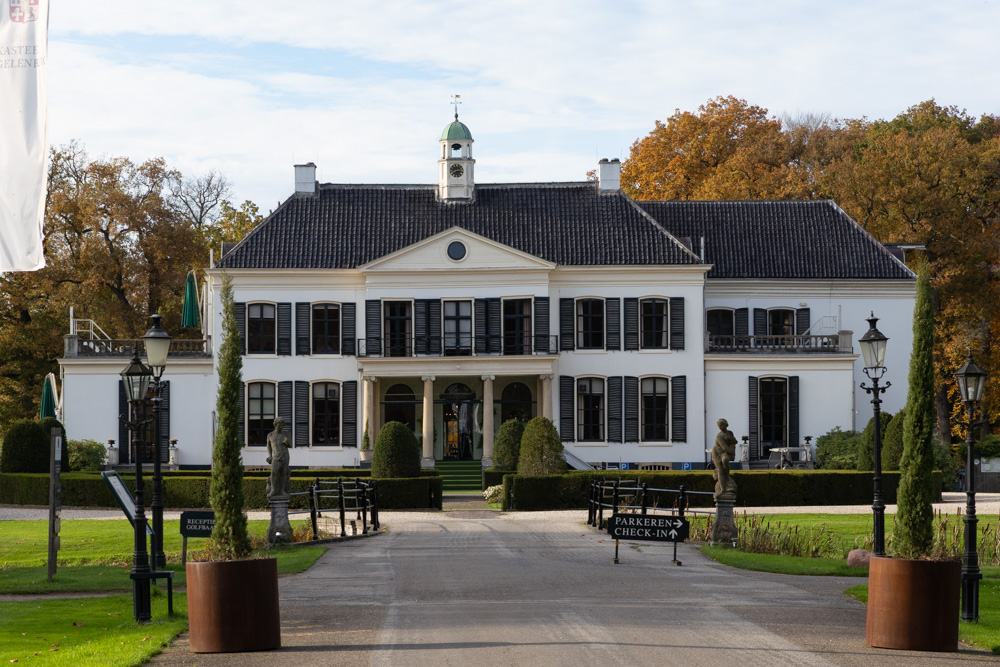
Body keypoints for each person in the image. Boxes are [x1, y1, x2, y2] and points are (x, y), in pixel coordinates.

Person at [712, 418, 738, 498]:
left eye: (721, 425)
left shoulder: (730, 433)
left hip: (726, 453)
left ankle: (726, 475)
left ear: (725, 425)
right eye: (719, 426)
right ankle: (722, 489)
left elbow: (735, 441)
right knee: (720, 470)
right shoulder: (719, 436)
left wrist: (732, 445)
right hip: (717, 452)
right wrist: (731, 451)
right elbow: (724, 447)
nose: (720, 427)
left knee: (725, 460)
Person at [265, 418, 291, 500]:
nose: (280, 426)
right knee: (274, 472)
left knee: (284, 473)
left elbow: (290, 445)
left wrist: (287, 442)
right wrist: (269, 456)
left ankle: (282, 490)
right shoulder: (270, 435)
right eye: (279, 424)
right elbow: (269, 446)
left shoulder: (286, 434)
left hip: (285, 456)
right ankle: (273, 490)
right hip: (276, 457)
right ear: (275, 424)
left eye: (282, 425)